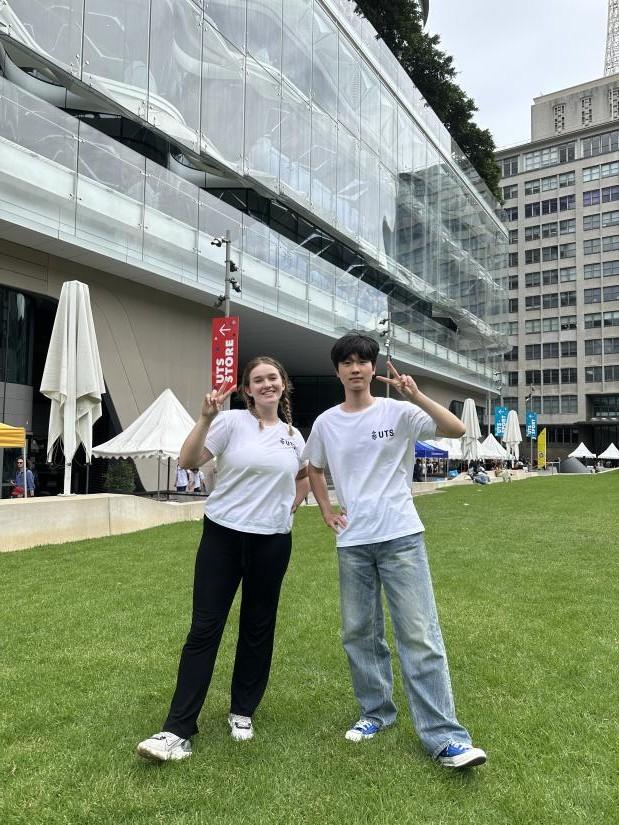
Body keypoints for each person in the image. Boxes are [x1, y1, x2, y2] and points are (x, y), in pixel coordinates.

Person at [303, 332, 487, 769]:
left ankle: (445, 737)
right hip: (354, 543)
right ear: (338, 371)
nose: (354, 368)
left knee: (419, 635)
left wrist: (418, 395)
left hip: (401, 536)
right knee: (359, 634)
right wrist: (326, 510)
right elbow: (313, 466)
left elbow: (456, 429)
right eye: (346, 362)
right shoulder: (327, 422)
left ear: (371, 368)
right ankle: (376, 713)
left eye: (361, 361)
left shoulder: (399, 411)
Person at [137, 357, 309, 762]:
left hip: (272, 542)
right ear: (247, 389)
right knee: (204, 629)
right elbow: (188, 460)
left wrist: (291, 507)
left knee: (257, 627)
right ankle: (176, 730)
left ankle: (242, 711)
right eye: (257, 380)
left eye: (273, 378)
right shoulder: (230, 422)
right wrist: (203, 418)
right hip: (224, 536)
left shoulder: (293, 435)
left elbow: (302, 477)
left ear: (282, 385)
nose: (266, 385)